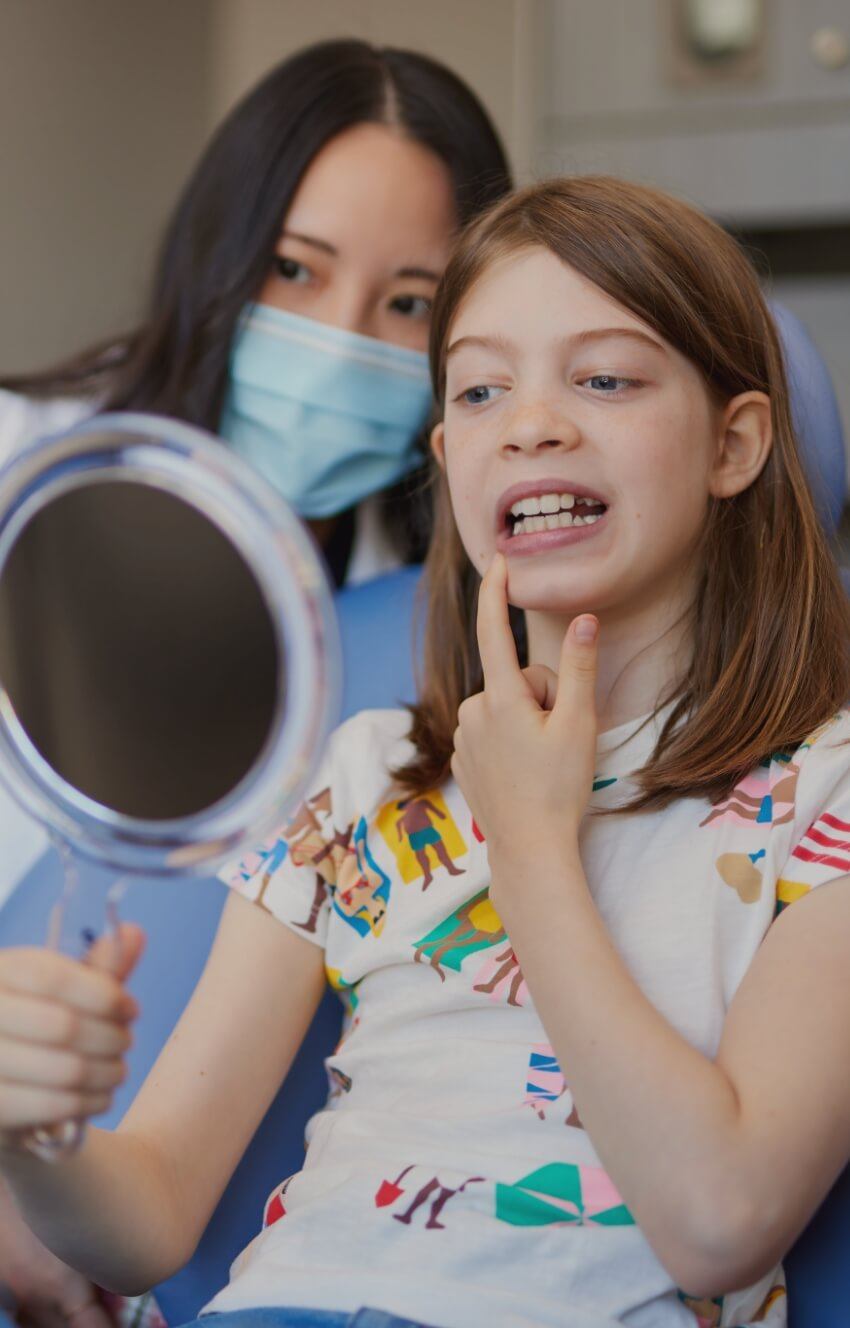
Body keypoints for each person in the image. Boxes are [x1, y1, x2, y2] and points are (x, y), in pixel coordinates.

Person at [2, 173, 850, 1327]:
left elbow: (717, 1222)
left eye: (603, 378)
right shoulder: (366, 772)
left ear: (734, 442)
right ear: (450, 456)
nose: (534, 423)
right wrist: (35, 1139)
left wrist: (534, 846)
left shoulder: (825, 791)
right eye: (483, 389)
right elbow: (148, 1214)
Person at [0, 37, 510, 1328]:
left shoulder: (435, 629)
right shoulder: (28, 484)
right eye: (294, 271)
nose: (338, 344)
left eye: (408, 303)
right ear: (220, 260)